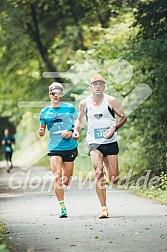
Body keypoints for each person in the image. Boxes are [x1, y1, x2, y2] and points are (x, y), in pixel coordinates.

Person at [73, 74, 127, 218]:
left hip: (110, 142)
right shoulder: (84, 103)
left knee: (114, 178)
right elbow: (79, 120)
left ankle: (110, 175)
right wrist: (76, 131)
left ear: (104, 86)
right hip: (94, 142)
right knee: (98, 172)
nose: (97, 86)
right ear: (90, 86)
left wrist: (113, 129)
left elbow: (123, 116)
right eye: (94, 84)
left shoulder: (111, 101)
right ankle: (103, 207)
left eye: (100, 84)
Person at [39, 82, 78, 218]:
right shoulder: (44, 112)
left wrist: (71, 131)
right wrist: (41, 131)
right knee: (57, 176)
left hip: (69, 146)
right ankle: (62, 208)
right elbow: (42, 128)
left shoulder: (70, 108)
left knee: (66, 180)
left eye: (58, 93)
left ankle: (64, 179)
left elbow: (79, 122)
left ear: (61, 94)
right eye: (53, 93)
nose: (56, 95)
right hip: (54, 147)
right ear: (50, 94)